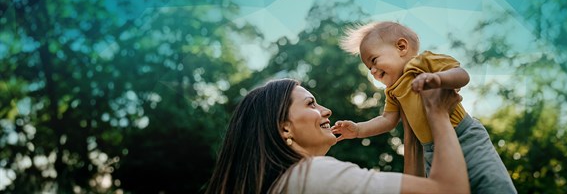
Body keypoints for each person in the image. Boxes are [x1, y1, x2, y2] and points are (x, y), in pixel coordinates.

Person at [333, 21, 516, 193]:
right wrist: (358, 130)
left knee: (490, 181)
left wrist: (439, 79)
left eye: (374, 60)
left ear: (401, 47)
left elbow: (462, 74)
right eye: (368, 67)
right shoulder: (393, 91)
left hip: (463, 135)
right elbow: (386, 120)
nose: (372, 71)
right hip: (431, 151)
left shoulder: (423, 63)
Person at [205, 78, 470, 194]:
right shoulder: (313, 175)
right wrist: (436, 113)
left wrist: (412, 129)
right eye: (311, 104)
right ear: (284, 128)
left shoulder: (285, 185)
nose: (327, 110)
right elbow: (450, 191)